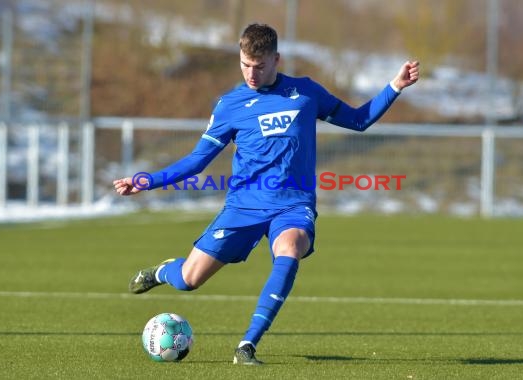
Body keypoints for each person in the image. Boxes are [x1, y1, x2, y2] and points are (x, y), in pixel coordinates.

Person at [113, 23, 419, 365]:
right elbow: (198, 161)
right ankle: (160, 272)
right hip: (243, 206)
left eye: (259, 66)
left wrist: (395, 86)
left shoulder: (305, 93)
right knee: (188, 280)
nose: (251, 73)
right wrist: (147, 181)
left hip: (292, 205)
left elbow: (359, 120)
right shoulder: (231, 105)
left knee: (290, 249)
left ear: (276, 59)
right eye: (245, 64)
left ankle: (247, 345)